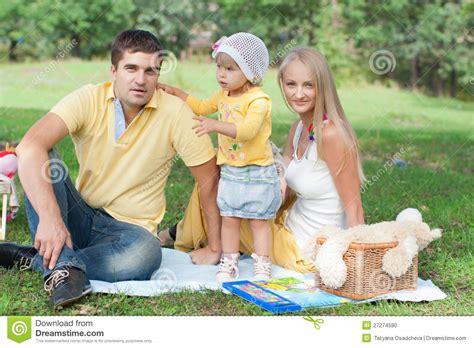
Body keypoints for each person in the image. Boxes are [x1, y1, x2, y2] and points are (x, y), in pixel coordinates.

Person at [0, 29, 221, 308]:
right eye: (131, 68)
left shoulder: (176, 112)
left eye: (151, 71)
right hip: (79, 216)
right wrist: (51, 220)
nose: (141, 80)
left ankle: (43, 260)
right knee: (45, 158)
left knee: (145, 255)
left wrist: (214, 247)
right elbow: (29, 147)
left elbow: (209, 180)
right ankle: (61, 262)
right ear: (113, 70)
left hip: (130, 233)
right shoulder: (88, 98)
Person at [166, 47, 365, 272]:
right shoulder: (298, 129)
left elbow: (353, 205)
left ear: (323, 86)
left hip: (303, 250)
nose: (299, 94)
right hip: (285, 229)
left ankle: (204, 244)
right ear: (282, 85)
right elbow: (282, 190)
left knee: (211, 182)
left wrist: (357, 261)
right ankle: (183, 234)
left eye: (308, 85)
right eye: (291, 84)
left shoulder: (332, 135)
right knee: (222, 183)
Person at [158, 33, 281, 281]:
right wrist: (176, 93)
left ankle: (263, 264)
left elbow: (247, 131)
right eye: (219, 67)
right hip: (232, 170)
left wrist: (214, 126)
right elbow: (202, 107)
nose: (221, 74)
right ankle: (229, 261)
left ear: (250, 72)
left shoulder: (259, 101)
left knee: (259, 220)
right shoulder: (223, 95)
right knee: (230, 217)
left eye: (230, 69)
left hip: (257, 171)